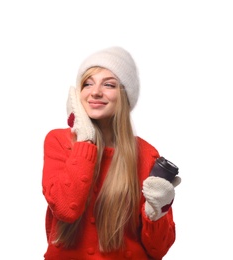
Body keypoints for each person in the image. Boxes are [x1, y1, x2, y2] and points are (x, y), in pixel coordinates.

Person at [42, 46, 181, 259]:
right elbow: (66, 209)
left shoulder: (146, 153)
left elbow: (158, 249)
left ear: (124, 96)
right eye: (87, 84)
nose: (95, 92)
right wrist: (85, 139)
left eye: (108, 84)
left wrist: (156, 212)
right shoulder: (59, 141)